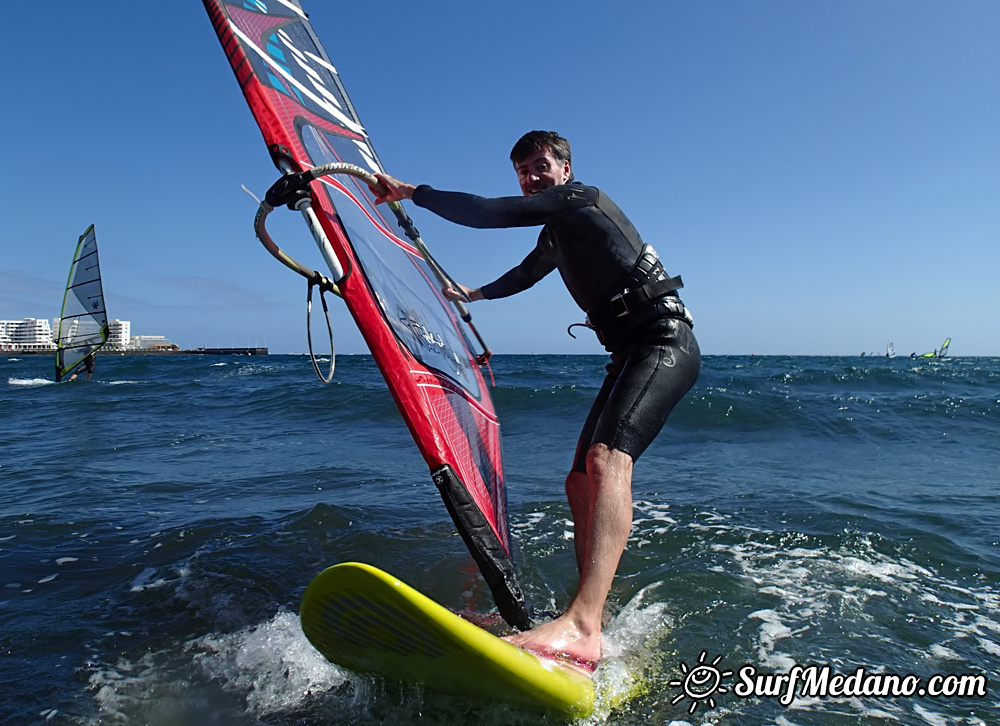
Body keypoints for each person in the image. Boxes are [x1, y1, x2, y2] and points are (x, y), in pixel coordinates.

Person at [373, 130, 701, 670]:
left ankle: (582, 624)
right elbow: (527, 274)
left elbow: (484, 213)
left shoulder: (582, 200)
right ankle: (592, 608)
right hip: (628, 355)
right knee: (578, 480)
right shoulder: (556, 234)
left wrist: (413, 192)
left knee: (605, 460)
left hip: (664, 341)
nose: (531, 178)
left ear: (565, 169)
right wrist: (473, 295)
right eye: (523, 171)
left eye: (540, 166)